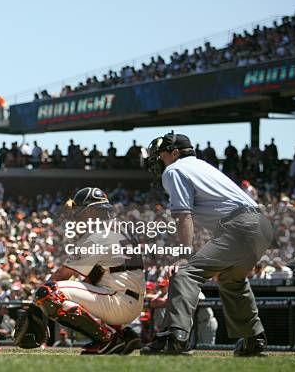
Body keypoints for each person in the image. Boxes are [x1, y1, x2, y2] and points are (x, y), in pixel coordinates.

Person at [143, 132, 274, 356]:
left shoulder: (174, 169)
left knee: (185, 273)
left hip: (240, 225)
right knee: (231, 279)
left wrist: (184, 254)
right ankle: (254, 340)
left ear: (175, 153)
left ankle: (175, 338)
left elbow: (183, 215)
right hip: (261, 225)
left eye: (161, 155)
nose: (159, 160)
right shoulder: (201, 166)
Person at [33, 187, 144, 355]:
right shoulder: (121, 229)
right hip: (131, 303)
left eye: (79, 210)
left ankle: (108, 339)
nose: (77, 215)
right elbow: (94, 278)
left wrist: (35, 307)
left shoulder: (98, 235)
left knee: (49, 293)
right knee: (67, 299)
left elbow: (60, 276)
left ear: (90, 210)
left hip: (117, 300)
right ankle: (120, 335)